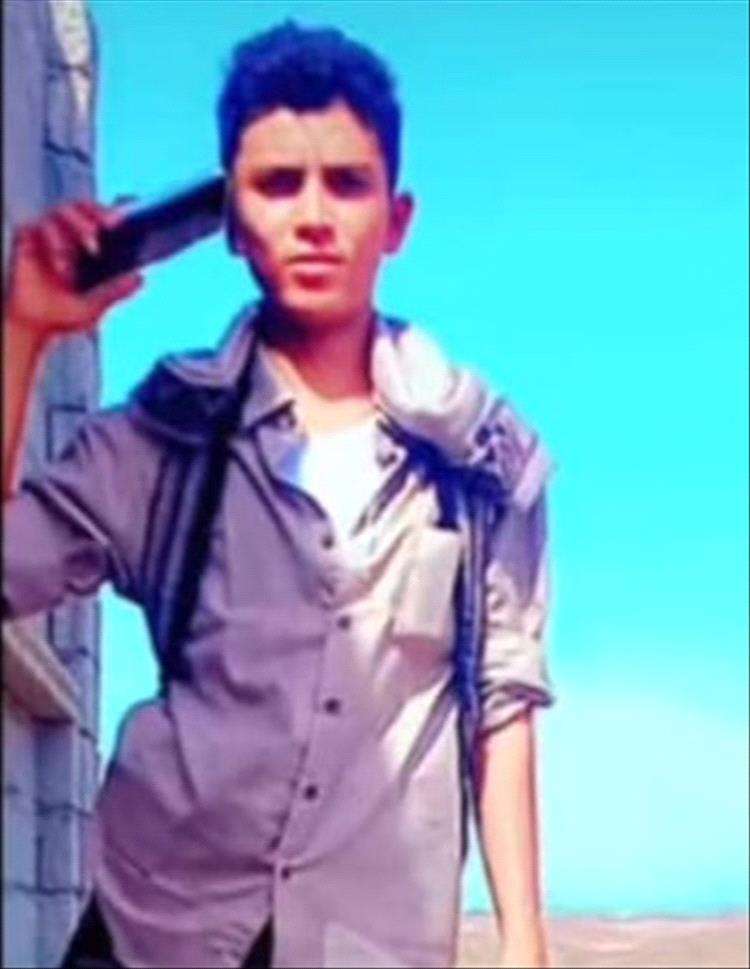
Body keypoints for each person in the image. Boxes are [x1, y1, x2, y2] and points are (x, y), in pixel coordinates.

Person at [2, 21, 556, 969]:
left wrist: (525, 942)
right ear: (231, 219)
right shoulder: (163, 438)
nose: (313, 217)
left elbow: (501, 703)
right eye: (276, 183)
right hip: (153, 934)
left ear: (397, 219)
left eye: (346, 182)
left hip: (369, 945)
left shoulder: (481, 459)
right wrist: (23, 332)